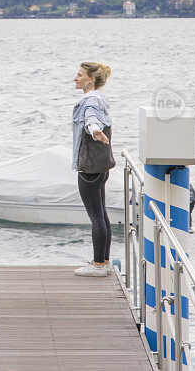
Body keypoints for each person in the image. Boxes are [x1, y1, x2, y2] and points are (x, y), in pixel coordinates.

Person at [71, 61, 114, 277]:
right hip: (101, 167)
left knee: (96, 215)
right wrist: (96, 129)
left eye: (79, 75)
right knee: (102, 213)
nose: (75, 78)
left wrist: (95, 130)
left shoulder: (90, 101)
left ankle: (98, 265)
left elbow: (90, 119)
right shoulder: (101, 98)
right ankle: (104, 261)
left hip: (89, 168)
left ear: (90, 79)